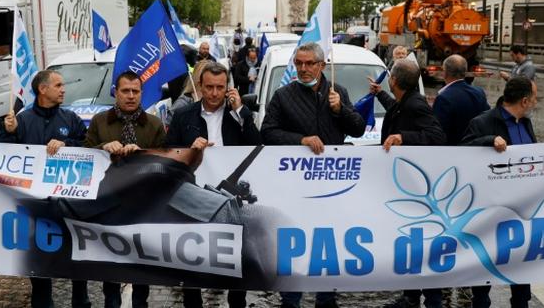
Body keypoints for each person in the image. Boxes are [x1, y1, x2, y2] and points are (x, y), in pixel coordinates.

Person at [261, 42, 366, 308]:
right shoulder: (283, 95)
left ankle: (327, 297)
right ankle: (290, 298)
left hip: (332, 187)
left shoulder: (337, 91)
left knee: (327, 245)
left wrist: (340, 109)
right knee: (294, 243)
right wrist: (300, 140)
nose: (303, 69)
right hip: (295, 188)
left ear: (321, 65)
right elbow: (268, 132)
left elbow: (358, 130)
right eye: (299, 63)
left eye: (309, 64)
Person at [165, 61, 261, 308]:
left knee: (234, 261)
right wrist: (189, 151)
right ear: (200, 86)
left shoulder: (239, 113)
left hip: (229, 201)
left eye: (220, 87)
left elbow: (259, 146)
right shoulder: (183, 116)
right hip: (194, 199)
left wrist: (241, 112)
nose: (215, 93)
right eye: (209, 87)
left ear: (228, 87)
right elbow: (170, 153)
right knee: (192, 264)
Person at [0, 69, 90, 308]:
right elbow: (3, 157)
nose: (63, 89)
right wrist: (8, 133)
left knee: (77, 259)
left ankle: (81, 301)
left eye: (63, 85)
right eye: (58, 85)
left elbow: (90, 148)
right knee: (39, 265)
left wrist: (67, 144)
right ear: (42, 89)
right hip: (34, 206)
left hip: (70, 204)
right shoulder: (23, 120)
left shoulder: (71, 119)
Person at [84, 70, 166, 308]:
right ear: (115, 92)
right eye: (125, 91)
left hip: (142, 206)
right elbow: (86, 157)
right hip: (108, 204)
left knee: (142, 268)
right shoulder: (99, 121)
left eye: (135, 91)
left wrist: (141, 153)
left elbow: (163, 161)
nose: (131, 96)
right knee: (110, 269)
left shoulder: (154, 124)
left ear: (141, 93)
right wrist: (102, 147)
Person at [461, 76, 538, 308]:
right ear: (524, 101)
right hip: (490, 209)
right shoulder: (483, 122)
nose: (536, 102)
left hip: (522, 211)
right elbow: (461, 151)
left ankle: (521, 303)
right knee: (485, 267)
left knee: (522, 267)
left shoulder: (526, 123)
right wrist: (488, 141)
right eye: (534, 97)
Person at [377, 59, 446, 308]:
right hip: (407, 184)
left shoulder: (416, 104)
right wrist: (380, 94)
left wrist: (402, 137)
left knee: (422, 244)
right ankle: (411, 296)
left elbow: (437, 136)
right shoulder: (405, 101)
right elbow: (397, 110)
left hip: (418, 188)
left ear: (394, 80)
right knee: (411, 243)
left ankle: (431, 300)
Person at [432, 54, 490, 145]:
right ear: (465, 72)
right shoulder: (479, 92)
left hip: (453, 151)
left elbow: (437, 132)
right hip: (477, 148)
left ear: (445, 73)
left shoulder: (444, 98)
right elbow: (487, 119)